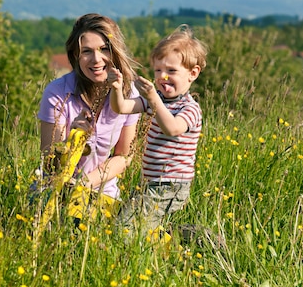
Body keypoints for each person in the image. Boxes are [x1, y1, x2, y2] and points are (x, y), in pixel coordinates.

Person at [37, 13, 140, 218]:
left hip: (103, 191)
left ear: (115, 51)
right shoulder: (57, 93)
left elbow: (123, 156)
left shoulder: (129, 94)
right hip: (56, 194)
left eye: (104, 50)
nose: (96, 59)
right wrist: (71, 140)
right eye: (87, 52)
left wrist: (84, 184)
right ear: (76, 56)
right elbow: (49, 164)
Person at [108, 24, 208, 234]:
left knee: (126, 227)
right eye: (158, 70)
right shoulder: (158, 100)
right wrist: (116, 89)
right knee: (136, 224)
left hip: (171, 185)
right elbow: (122, 107)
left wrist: (153, 99)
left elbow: (172, 128)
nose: (162, 77)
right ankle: (182, 238)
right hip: (152, 183)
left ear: (193, 73)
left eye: (171, 71)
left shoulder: (189, 108)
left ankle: (192, 239)